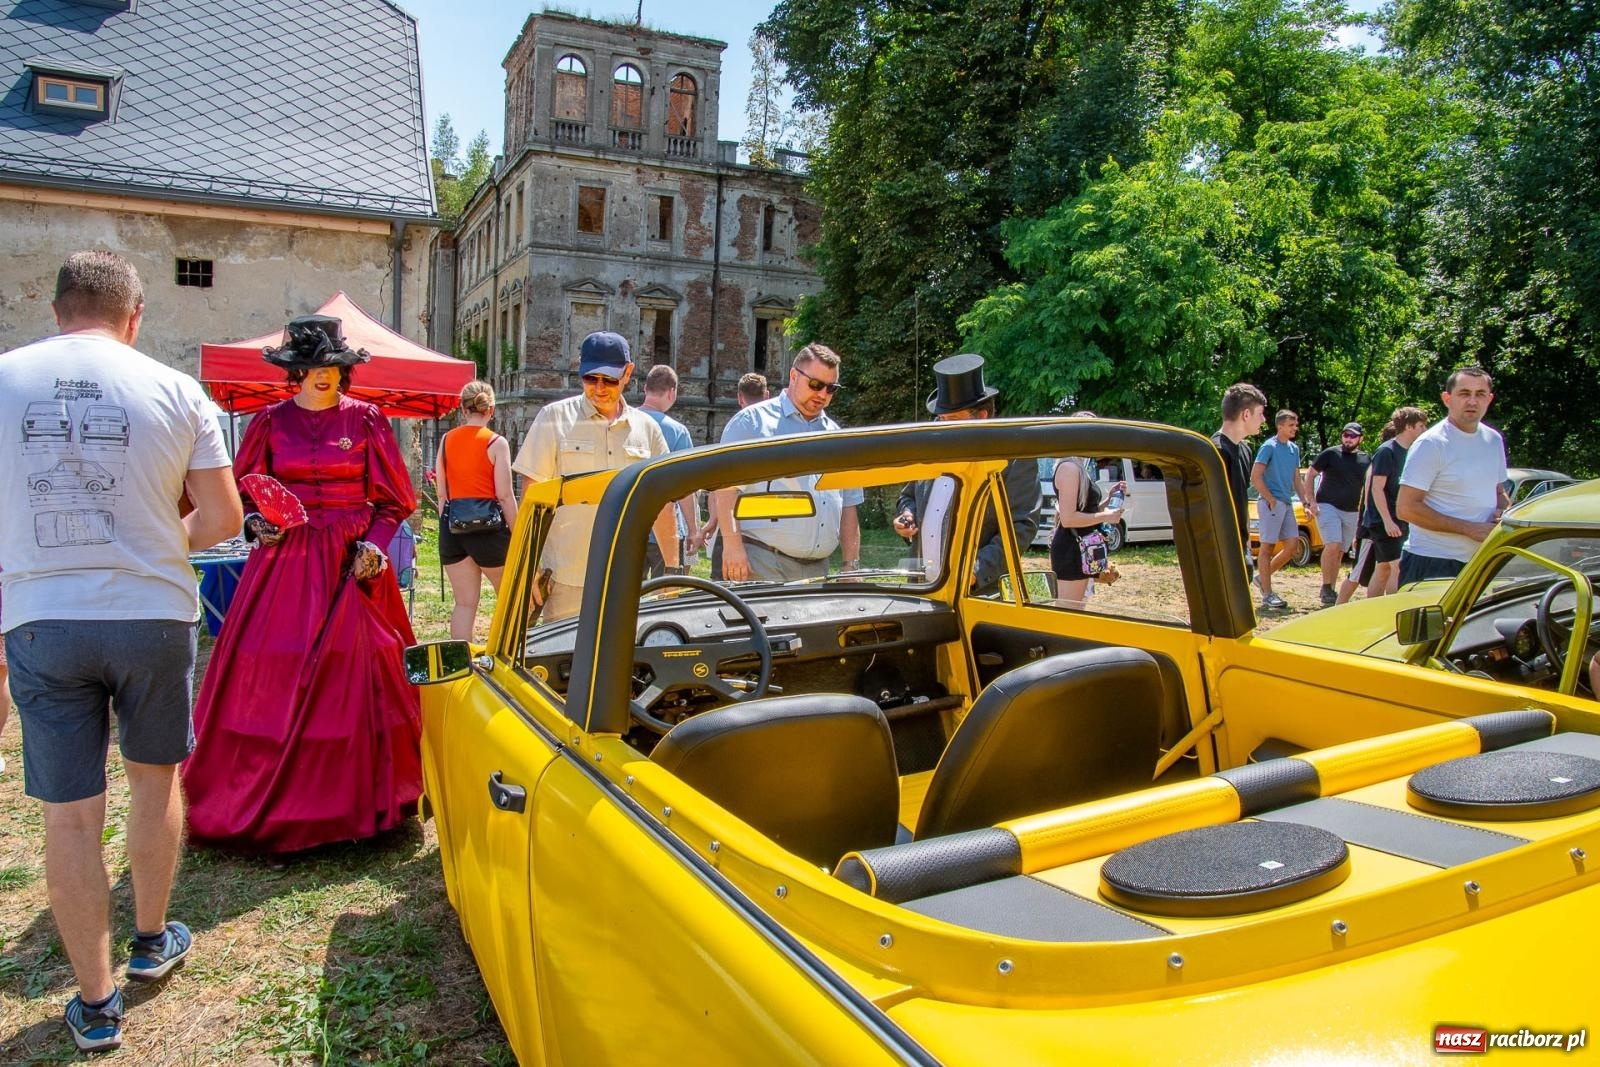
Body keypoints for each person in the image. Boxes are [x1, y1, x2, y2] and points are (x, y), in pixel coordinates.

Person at [0, 250, 241, 1052]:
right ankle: (148, 937)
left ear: (56, 305)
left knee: (69, 814)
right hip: (149, 610)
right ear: (135, 317)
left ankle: (96, 1002)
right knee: (153, 776)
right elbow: (222, 517)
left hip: (41, 612)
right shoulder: (176, 390)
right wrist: (158, 538)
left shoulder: (6, 378)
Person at [183, 315, 422, 855]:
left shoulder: (367, 421)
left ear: (344, 370)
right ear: (294, 373)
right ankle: (272, 802)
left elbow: (394, 503)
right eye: (312, 367)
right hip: (284, 564)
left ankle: (361, 809)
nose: (323, 376)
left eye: (332, 366)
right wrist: (254, 523)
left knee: (358, 673)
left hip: (351, 564)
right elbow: (241, 496)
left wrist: (376, 547)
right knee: (271, 669)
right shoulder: (267, 423)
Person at [512, 331, 679, 621]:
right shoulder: (553, 419)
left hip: (626, 578)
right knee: (565, 663)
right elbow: (532, 501)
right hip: (567, 579)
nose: (599, 388)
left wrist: (673, 571)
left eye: (609, 379)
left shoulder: (647, 429)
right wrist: (527, 569)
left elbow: (663, 505)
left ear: (628, 373)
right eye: (590, 378)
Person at [892, 354, 1041, 593]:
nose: (943, 428)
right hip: (922, 589)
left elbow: (1021, 526)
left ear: (981, 416)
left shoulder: (1013, 460)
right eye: (939, 420)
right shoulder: (931, 453)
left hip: (975, 596)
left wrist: (975, 570)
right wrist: (907, 515)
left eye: (951, 420)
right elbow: (908, 496)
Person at [716, 344, 863, 581]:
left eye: (831, 388)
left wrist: (850, 564)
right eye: (816, 384)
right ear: (794, 376)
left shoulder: (837, 436)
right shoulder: (752, 423)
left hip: (819, 571)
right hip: (762, 562)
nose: (823, 394)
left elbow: (848, 504)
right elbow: (725, 491)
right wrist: (732, 548)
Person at [1397, 367, 1510, 585]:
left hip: (1482, 561)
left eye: (1480, 394)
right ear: (1447, 398)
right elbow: (1406, 508)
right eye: (1464, 393)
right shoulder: (1431, 443)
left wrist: (1505, 512)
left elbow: (1498, 490)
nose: (1472, 401)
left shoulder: (1493, 440)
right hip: (1433, 561)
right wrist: (1469, 529)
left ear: (1490, 399)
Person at [436, 380, 518, 641]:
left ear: (462, 409)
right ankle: (502, 658)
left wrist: (447, 526)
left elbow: (441, 493)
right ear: (491, 410)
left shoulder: (447, 440)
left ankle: (463, 667)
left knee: (464, 604)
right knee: (508, 599)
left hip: (453, 526)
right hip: (489, 530)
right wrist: (517, 533)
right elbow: (504, 495)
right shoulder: (496, 443)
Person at [702, 372, 770, 579]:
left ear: (740, 398)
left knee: (722, 587)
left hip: (734, 521)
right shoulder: (776, 430)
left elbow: (723, 484)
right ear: (767, 395)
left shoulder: (736, 427)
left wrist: (713, 520)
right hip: (768, 531)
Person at [638, 365, 701, 578]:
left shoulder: (625, 424)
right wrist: (693, 529)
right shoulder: (677, 432)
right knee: (665, 600)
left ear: (645, 388)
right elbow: (685, 486)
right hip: (666, 533)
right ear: (672, 392)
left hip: (629, 528)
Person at [1358, 407, 1428, 597]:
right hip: (1383, 521)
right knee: (1398, 566)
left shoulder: (1412, 451)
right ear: (1408, 426)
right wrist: (1388, 521)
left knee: (1383, 569)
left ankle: (1373, 610)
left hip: (1401, 518)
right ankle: (1394, 612)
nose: (1424, 430)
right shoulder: (1386, 451)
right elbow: (1376, 488)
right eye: (1421, 425)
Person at [1308, 421, 1371, 606]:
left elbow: (1371, 486)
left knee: (1340, 551)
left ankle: (1331, 589)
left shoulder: (1366, 459)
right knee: (1333, 545)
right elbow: (1310, 474)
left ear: (1360, 438)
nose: (1348, 439)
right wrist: (1310, 500)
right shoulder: (1330, 454)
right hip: (1327, 505)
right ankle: (1326, 586)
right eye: (1345, 435)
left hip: (1351, 510)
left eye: (1352, 436)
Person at [1212, 383, 1268, 575]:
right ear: (1246, 414)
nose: (1263, 419)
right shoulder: (1216, 451)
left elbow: (1240, 499)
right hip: (1221, 546)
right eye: (1260, 413)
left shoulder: (1245, 449)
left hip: (1241, 544)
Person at [1250, 409, 1302, 610]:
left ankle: (1263, 579)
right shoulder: (1268, 447)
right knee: (1267, 548)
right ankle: (1267, 594)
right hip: (1271, 503)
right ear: (1279, 426)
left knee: (1292, 546)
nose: (1294, 428)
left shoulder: (1293, 449)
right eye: (1291, 425)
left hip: (1287, 503)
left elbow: (1296, 478)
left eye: (1295, 424)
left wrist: (1306, 502)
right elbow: (1256, 476)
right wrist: (1270, 499)